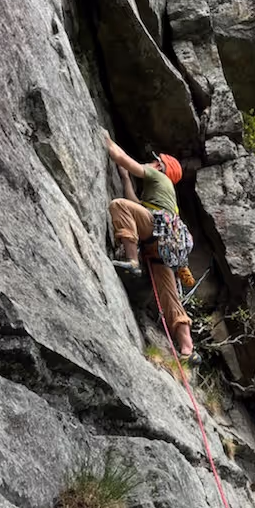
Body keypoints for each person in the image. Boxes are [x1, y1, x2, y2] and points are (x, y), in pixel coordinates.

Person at [104, 131, 201, 366]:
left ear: (160, 167)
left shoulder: (160, 179)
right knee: (170, 296)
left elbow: (122, 158)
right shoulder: (163, 194)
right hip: (165, 246)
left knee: (118, 206)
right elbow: (137, 207)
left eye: (155, 161)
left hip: (156, 233)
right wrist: (125, 178)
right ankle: (188, 349)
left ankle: (132, 262)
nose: (150, 163)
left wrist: (105, 138)